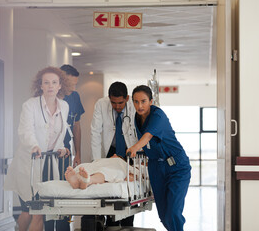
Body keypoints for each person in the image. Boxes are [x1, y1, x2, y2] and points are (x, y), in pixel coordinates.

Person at [4, 66, 70, 231]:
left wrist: (61, 148)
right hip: (30, 163)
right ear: (40, 85)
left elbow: (58, 134)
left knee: (39, 211)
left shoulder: (64, 106)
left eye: (54, 82)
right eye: (46, 83)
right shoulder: (30, 105)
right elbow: (26, 130)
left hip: (48, 163)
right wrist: (34, 145)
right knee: (29, 211)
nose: (50, 86)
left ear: (60, 85)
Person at [126, 85, 191, 231]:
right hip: (156, 167)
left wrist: (135, 148)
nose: (139, 105)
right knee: (163, 215)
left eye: (143, 101)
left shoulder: (158, 115)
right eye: (136, 102)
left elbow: (148, 136)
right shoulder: (136, 118)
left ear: (151, 101)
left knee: (173, 212)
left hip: (177, 167)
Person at [90, 81, 138, 227]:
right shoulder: (101, 104)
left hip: (130, 151)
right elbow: (95, 133)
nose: (117, 106)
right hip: (110, 152)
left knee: (129, 193)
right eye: (113, 102)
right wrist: (97, 162)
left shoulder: (134, 105)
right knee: (109, 189)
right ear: (109, 98)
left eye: (120, 103)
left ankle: (127, 225)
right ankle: (110, 224)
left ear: (127, 98)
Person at [44, 64, 85, 231]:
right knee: (49, 196)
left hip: (66, 154)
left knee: (66, 193)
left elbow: (76, 126)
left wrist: (78, 154)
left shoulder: (74, 97)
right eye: (71, 84)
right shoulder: (48, 98)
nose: (73, 88)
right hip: (48, 155)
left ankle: (63, 228)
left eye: (76, 84)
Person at [65, 154, 135, 190]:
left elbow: (135, 174)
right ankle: (77, 180)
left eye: (117, 155)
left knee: (104, 171)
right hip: (95, 165)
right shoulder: (101, 160)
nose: (114, 154)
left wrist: (130, 176)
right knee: (86, 168)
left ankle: (86, 181)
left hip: (110, 169)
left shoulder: (121, 163)